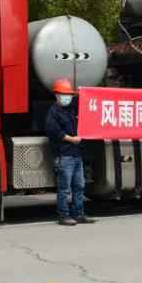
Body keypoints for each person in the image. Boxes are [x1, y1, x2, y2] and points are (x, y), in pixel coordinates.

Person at [44, 79, 95, 225]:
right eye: (63, 94)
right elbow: (54, 132)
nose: (66, 97)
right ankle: (64, 216)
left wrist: (83, 93)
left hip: (76, 154)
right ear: (56, 95)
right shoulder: (53, 112)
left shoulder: (71, 109)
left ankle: (79, 214)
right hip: (64, 155)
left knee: (79, 186)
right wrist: (72, 139)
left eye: (69, 95)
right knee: (64, 188)